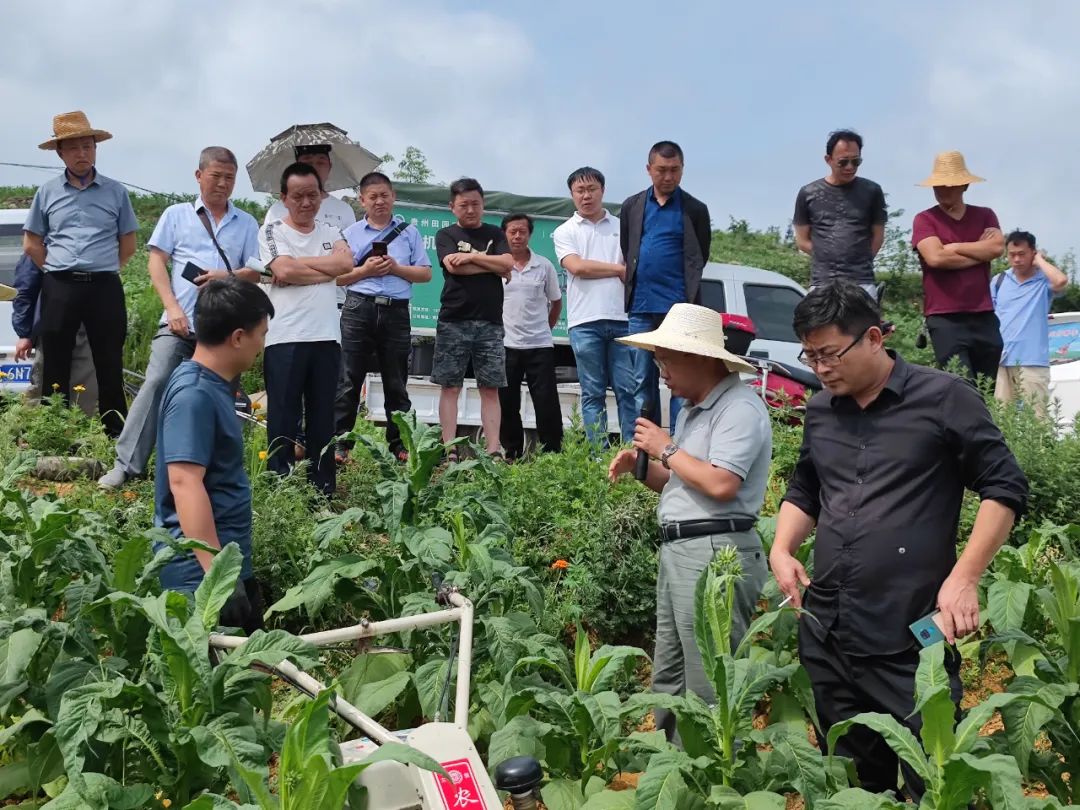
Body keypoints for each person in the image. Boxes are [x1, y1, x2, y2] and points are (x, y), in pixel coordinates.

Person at [770, 281, 1027, 802]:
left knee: (925, 777)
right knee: (851, 778)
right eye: (810, 354)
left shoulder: (943, 398)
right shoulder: (821, 412)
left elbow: (1005, 486)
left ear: (872, 337)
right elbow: (807, 487)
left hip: (911, 636)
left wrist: (965, 578)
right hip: (830, 629)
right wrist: (782, 548)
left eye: (829, 353)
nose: (819, 367)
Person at [608, 303, 769, 739]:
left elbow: (720, 485)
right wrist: (642, 467)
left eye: (667, 359)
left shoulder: (740, 408)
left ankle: (709, 774)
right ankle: (674, 765)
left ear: (701, 358)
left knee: (706, 679)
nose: (661, 371)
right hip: (685, 549)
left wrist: (666, 449)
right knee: (671, 671)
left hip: (716, 554)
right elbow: (686, 484)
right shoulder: (695, 409)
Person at [98, 147, 260, 489]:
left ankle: (212, 473)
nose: (222, 184)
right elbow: (156, 262)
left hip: (223, 329)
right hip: (179, 323)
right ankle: (126, 466)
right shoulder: (176, 215)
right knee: (156, 382)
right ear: (199, 176)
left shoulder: (245, 223)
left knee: (218, 398)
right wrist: (172, 308)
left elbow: (256, 272)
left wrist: (225, 276)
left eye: (229, 178)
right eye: (216, 175)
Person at [154, 276, 275, 633]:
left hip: (223, 564)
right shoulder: (194, 394)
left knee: (254, 675)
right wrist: (217, 579)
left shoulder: (212, 384)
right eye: (261, 335)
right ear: (238, 337)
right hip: (200, 579)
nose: (262, 345)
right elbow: (184, 483)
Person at [22, 110, 138, 437]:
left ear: (95, 149)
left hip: (104, 285)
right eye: (74, 148)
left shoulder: (115, 192)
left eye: (88, 146)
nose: (82, 153)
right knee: (55, 360)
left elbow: (127, 244)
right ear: (61, 153)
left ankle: (116, 433)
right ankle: (53, 431)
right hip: (59, 284)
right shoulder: (47, 192)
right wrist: (57, 270)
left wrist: (103, 266)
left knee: (109, 360)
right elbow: (32, 243)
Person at [259, 162, 353, 496]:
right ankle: (280, 490)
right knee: (282, 420)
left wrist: (299, 269)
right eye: (297, 196)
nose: (305, 202)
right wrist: (323, 271)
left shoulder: (332, 233)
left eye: (312, 195)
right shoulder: (273, 231)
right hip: (285, 337)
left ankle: (322, 492)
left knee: (322, 422)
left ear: (320, 196)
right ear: (284, 198)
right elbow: (281, 268)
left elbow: (346, 265)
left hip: (327, 338)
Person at [333, 172, 431, 462]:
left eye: (384, 195)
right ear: (362, 200)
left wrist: (396, 268)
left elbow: (425, 273)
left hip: (396, 310)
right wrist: (366, 271)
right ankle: (341, 443)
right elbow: (338, 277)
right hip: (357, 308)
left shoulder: (409, 232)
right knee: (349, 378)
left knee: (396, 380)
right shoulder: (350, 234)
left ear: (393, 197)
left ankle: (399, 445)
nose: (379, 201)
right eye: (372, 196)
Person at [620, 141, 711, 431]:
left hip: (678, 308)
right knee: (640, 380)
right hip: (641, 307)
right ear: (649, 170)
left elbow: (700, 255)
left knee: (680, 380)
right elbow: (627, 246)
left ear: (683, 169)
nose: (668, 177)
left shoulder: (695, 209)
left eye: (674, 170)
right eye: (661, 170)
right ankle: (645, 448)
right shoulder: (633, 206)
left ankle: (679, 443)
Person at [552, 167, 636, 446]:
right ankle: (599, 456)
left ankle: (633, 455)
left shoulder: (623, 226)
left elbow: (634, 267)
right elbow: (577, 267)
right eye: (580, 190)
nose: (586, 196)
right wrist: (617, 269)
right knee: (593, 392)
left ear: (603, 190)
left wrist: (622, 271)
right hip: (584, 322)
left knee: (628, 390)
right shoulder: (564, 231)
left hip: (623, 319)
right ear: (572, 195)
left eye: (592, 189)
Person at [432, 178, 513, 457]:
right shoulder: (445, 235)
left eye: (475, 204)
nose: (470, 209)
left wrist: (469, 258)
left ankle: (493, 449)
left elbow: (508, 263)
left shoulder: (495, 232)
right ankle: (449, 448)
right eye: (463, 204)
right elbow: (454, 269)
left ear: (483, 205)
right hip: (454, 319)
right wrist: (491, 264)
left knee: (490, 387)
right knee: (450, 386)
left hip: (490, 321)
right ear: (452, 207)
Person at [912, 151, 1006, 381]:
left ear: (964, 185)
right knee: (961, 385)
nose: (943, 190)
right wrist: (978, 252)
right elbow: (936, 258)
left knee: (987, 387)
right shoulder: (924, 219)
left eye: (950, 185)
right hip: (944, 318)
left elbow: (996, 248)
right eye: (939, 185)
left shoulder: (985, 215)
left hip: (983, 314)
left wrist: (952, 247)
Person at [498, 213, 563, 459]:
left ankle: (552, 454)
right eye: (512, 231)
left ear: (529, 234)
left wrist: (545, 329)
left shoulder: (544, 265)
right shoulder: (498, 266)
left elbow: (556, 303)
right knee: (507, 402)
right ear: (505, 234)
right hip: (506, 345)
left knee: (546, 402)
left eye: (522, 231)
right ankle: (512, 451)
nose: (517, 236)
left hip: (540, 345)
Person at [793, 129, 887, 295]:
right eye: (843, 162)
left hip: (862, 281)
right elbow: (802, 240)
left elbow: (878, 237)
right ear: (828, 159)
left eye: (856, 162)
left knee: (864, 322)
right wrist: (827, 256)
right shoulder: (808, 193)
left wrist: (859, 259)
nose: (850, 167)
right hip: (822, 282)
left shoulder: (872, 191)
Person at [991, 230, 1069, 416]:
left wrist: (1040, 261)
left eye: (1022, 254)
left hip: (1032, 361)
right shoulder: (999, 281)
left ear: (1033, 252)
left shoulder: (1044, 281)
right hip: (1002, 360)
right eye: (1012, 254)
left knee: (1037, 421)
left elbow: (1061, 281)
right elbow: (988, 317)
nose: (1017, 259)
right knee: (1000, 420)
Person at [12, 254, 98, 415]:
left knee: (85, 396)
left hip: (87, 330)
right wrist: (24, 334)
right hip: (52, 328)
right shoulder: (42, 245)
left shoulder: (95, 244)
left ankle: (82, 437)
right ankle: (39, 436)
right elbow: (25, 291)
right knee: (43, 395)